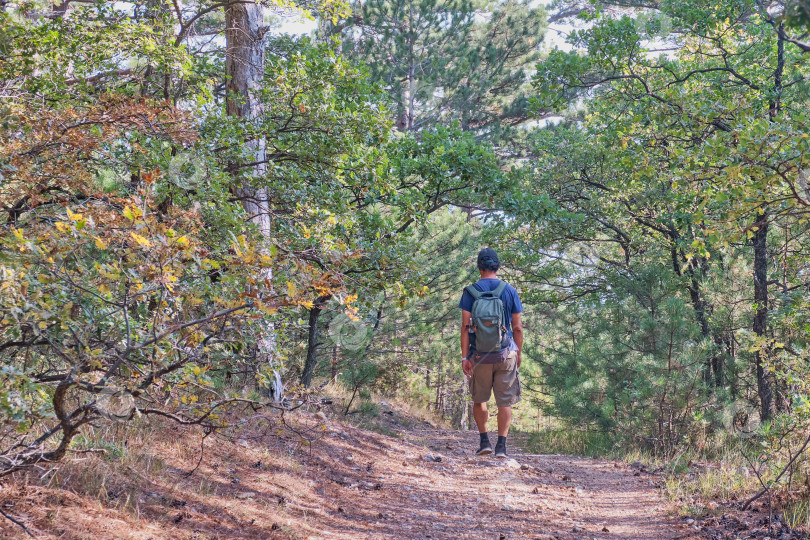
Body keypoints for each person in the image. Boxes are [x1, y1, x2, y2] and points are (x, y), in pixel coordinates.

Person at [459, 248, 523, 458]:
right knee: (505, 401)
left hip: (479, 355)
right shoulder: (509, 290)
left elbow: (465, 326)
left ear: (479, 267)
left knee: (480, 399)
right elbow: (518, 328)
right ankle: (501, 447)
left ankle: (484, 441)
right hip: (506, 353)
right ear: (497, 266)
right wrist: (519, 353)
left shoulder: (470, 291)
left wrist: (465, 356)